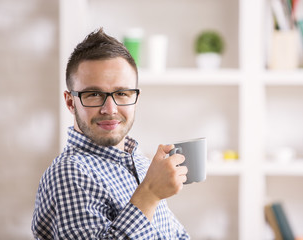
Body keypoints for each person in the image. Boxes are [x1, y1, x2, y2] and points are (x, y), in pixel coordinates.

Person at [32, 28, 190, 239]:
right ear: (71, 102)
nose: (110, 109)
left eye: (122, 93)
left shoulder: (142, 164)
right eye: (94, 94)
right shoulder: (70, 173)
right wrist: (150, 194)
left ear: (136, 99)